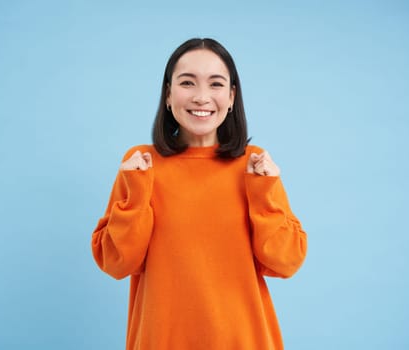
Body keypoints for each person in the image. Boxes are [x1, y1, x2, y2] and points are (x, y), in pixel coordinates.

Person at [91, 38, 307, 350]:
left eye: (216, 84)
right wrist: (137, 194)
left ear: (231, 96)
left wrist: (263, 193)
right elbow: (117, 262)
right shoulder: (141, 163)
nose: (202, 97)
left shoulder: (255, 164)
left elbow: (285, 261)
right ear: (168, 94)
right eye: (187, 82)